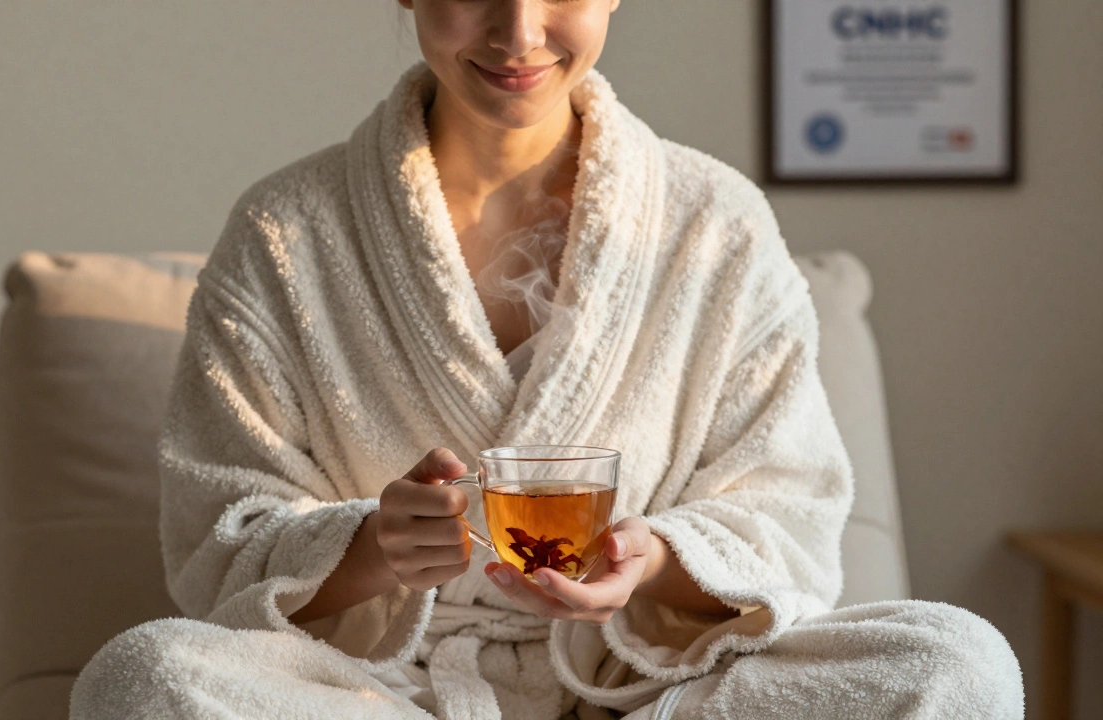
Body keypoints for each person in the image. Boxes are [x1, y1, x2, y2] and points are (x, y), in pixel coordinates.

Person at [69, 1, 1023, 718]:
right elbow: (219, 531)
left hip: (649, 695)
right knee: (146, 680)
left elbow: (790, 514)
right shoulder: (288, 231)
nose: (518, 30)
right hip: (385, 695)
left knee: (956, 663)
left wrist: (653, 561)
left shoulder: (714, 223)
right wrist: (369, 549)